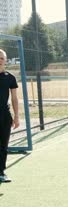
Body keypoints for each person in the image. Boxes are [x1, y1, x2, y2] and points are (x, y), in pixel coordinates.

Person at [0, 49, 20, 183]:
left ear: (5, 60)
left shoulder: (10, 77)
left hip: (4, 115)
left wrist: (17, 116)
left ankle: (1, 172)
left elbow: (14, 98)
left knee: (3, 145)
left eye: (1, 58)